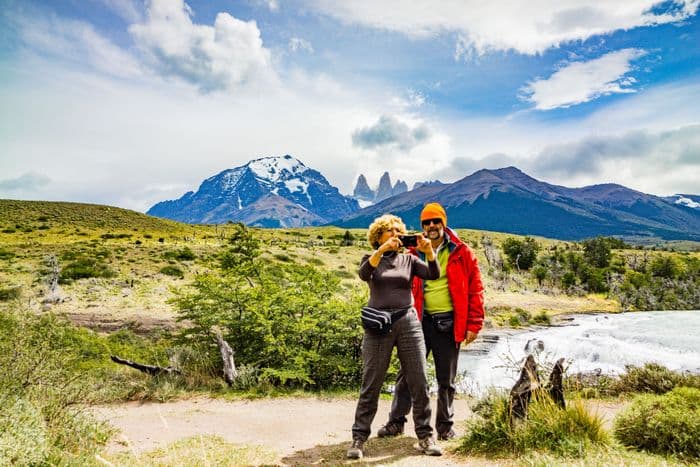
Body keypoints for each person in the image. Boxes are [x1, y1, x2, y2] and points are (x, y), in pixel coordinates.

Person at [378, 202, 485, 441]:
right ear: (422, 226)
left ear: (443, 223)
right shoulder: (413, 252)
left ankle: (445, 427)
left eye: (436, 221)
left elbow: (475, 290)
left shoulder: (462, 251)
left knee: (446, 379)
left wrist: (473, 324)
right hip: (417, 321)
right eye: (427, 222)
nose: (432, 226)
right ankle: (396, 422)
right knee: (407, 375)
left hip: (448, 323)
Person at [347, 214, 443, 460]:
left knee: (419, 379)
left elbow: (433, 274)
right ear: (378, 236)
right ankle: (359, 438)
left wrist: (429, 251)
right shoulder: (371, 258)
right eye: (388, 231)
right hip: (378, 325)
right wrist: (381, 251)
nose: (394, 234)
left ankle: (425, 435)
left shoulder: (409, 260)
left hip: (407, 322)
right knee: (372, 382)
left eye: (397, 231)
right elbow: (363, 273)